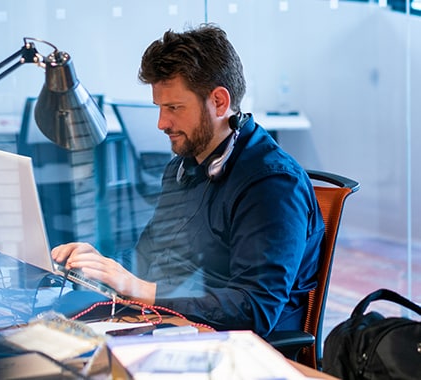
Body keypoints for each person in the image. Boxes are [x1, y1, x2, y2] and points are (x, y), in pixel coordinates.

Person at [52, 23, 325, 337]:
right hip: (176, 328)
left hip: (241, 350)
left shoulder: (271, 185)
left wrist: (140, 289)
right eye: (159, 108)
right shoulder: (185, 167)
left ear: (219, 102)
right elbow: (149, 260)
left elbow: (255, 308)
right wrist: (98, 265)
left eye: (174, 108)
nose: (161, 123)